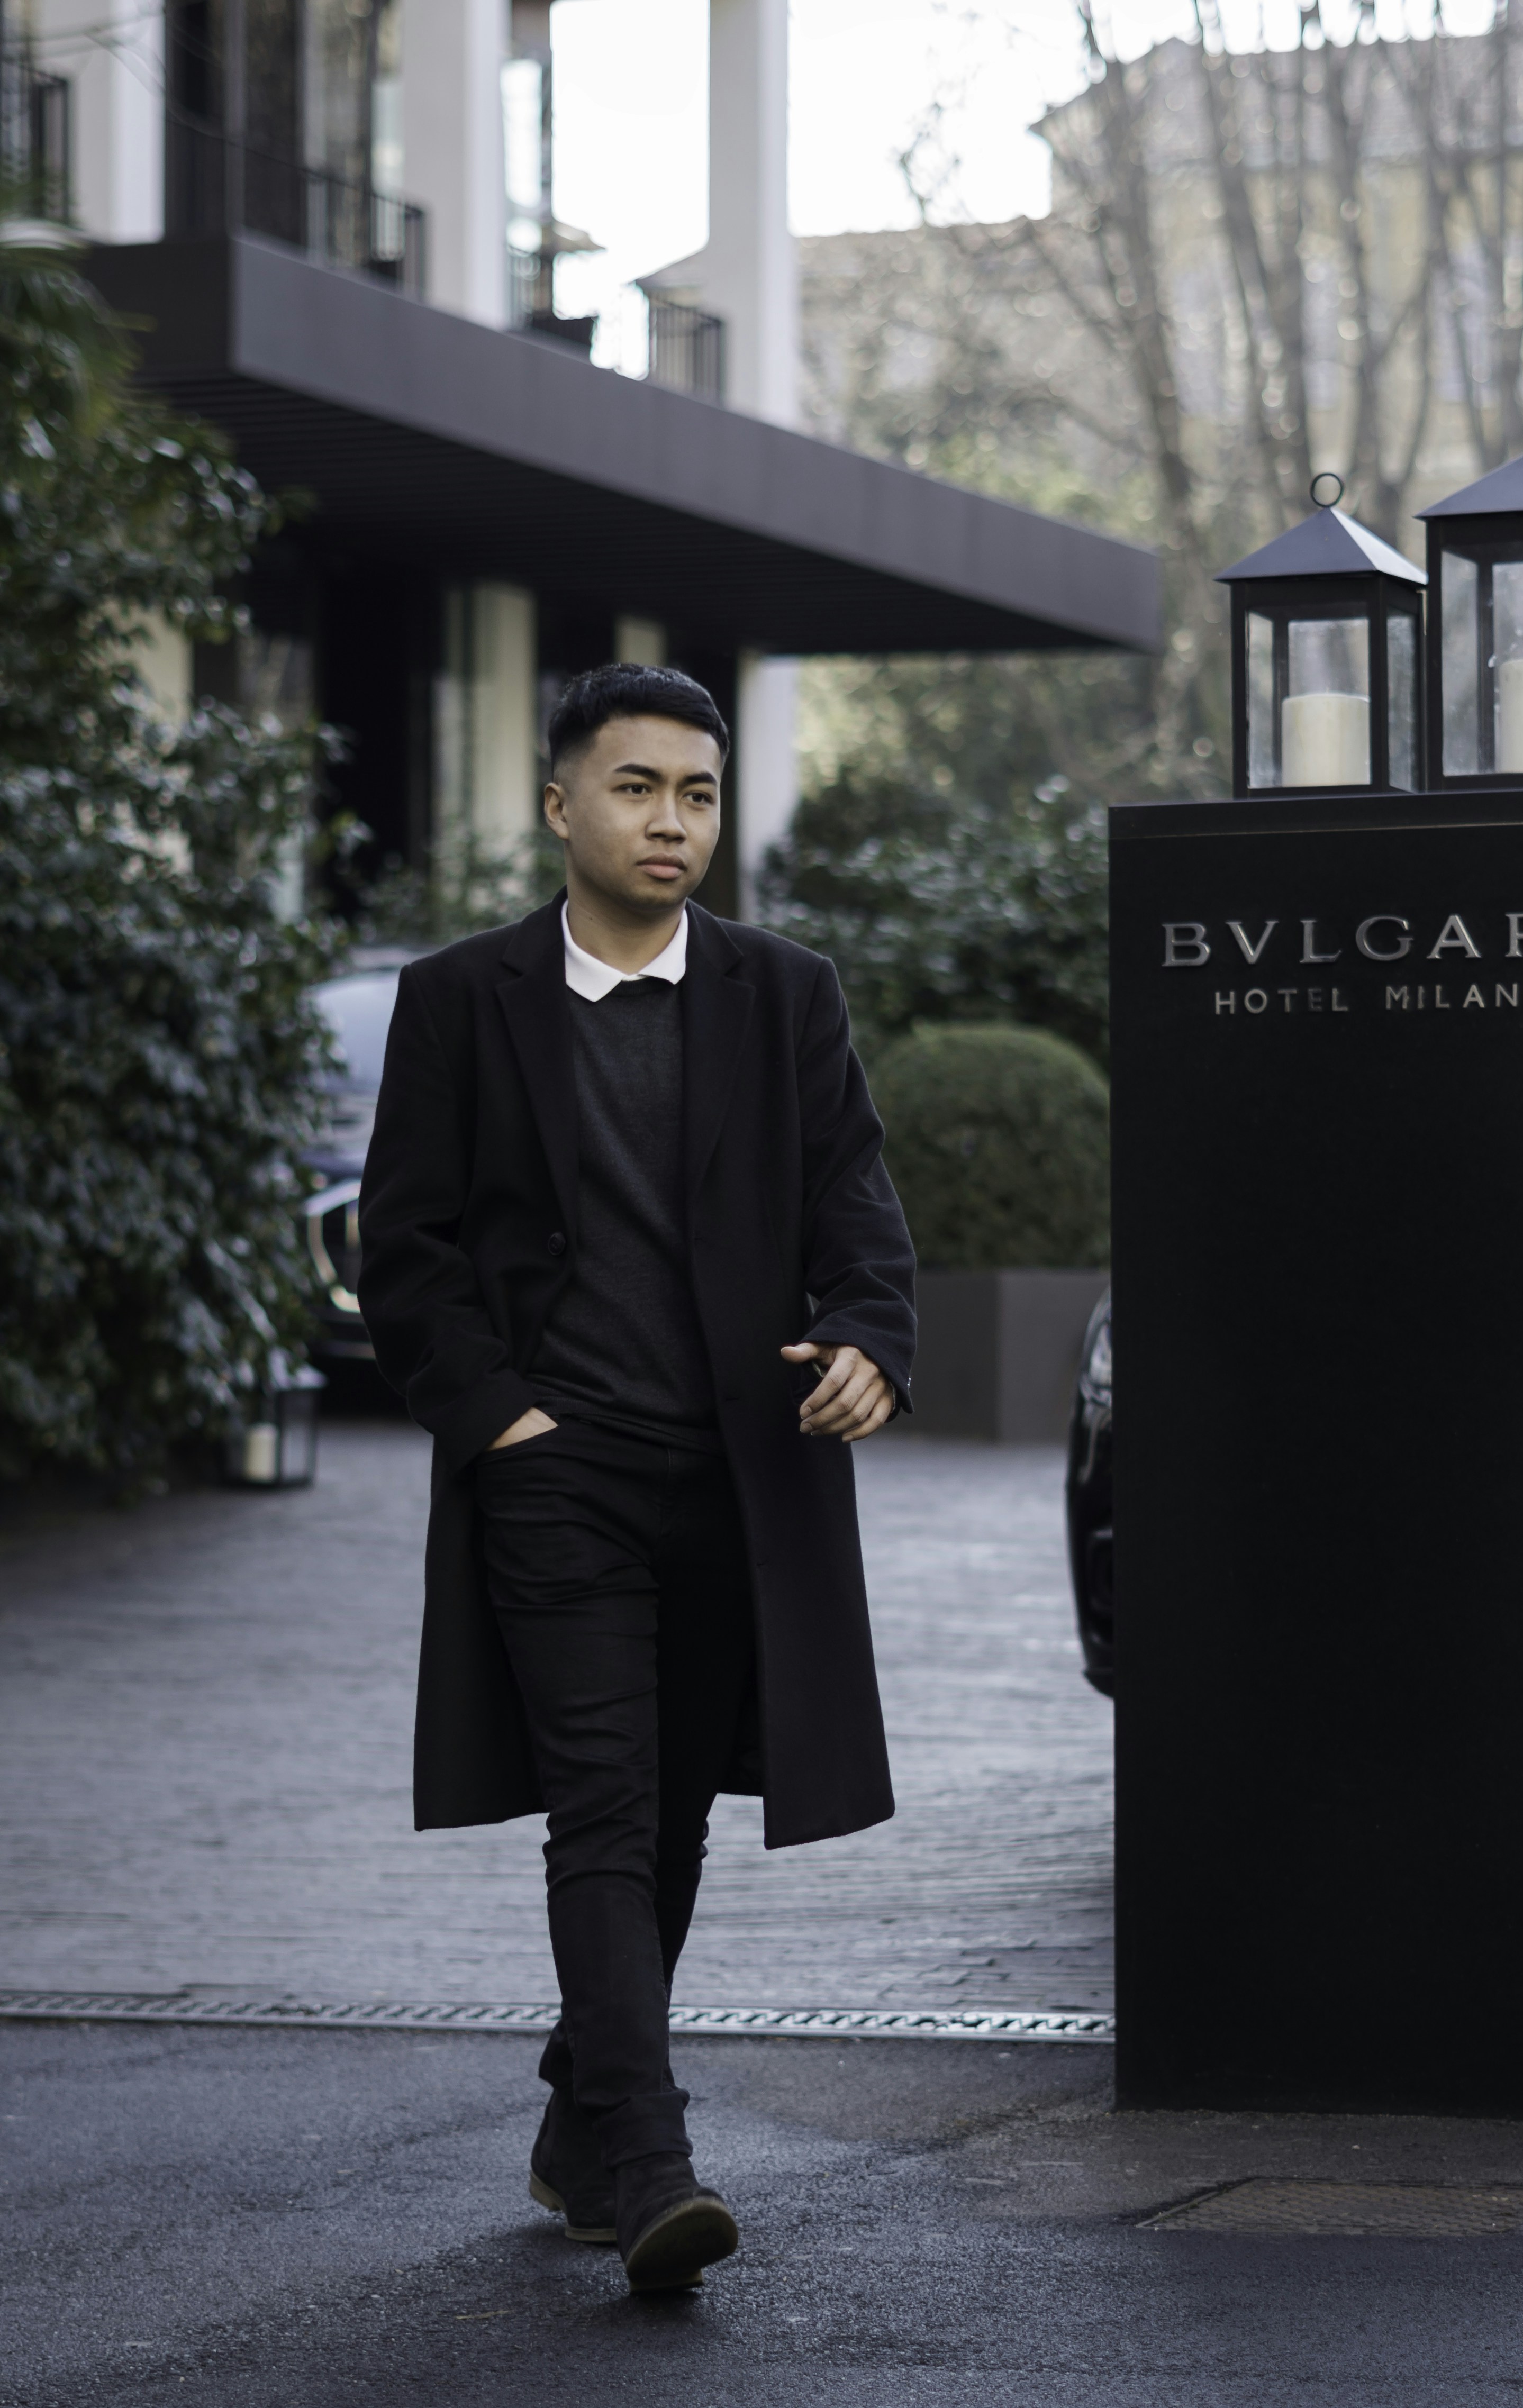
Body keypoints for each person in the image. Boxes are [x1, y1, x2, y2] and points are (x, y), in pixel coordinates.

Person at [356, 662, 915, 2296]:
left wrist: (871, 1338)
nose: (670, 821)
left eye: (697, 794)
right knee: (601, 1809)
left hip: (739, 1479)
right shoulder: (463, 999)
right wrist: (499, 1420)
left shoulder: (784, 993)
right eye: (636, 787)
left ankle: (577, 2116)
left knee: (665, 1816)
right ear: (559, 807)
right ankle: (653, 2167)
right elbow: (408, 1249)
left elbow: (855, 1217)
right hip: (556, 1477)